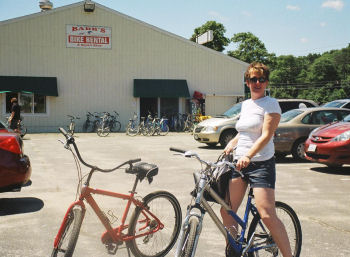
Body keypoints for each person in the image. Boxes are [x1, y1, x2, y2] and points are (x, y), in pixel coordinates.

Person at [222, 62, 293, 257]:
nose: (257, 83)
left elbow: (266, 135)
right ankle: (238, 249)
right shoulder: (245, 105)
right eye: (253, 79)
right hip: (239, 162)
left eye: (261, 79)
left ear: (267, 82)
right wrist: (233, 143)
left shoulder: (271, 104)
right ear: (247, 82)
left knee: (267, 215)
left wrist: (248, 155)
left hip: (261, 164)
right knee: (227, 211)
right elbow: (245, 132)